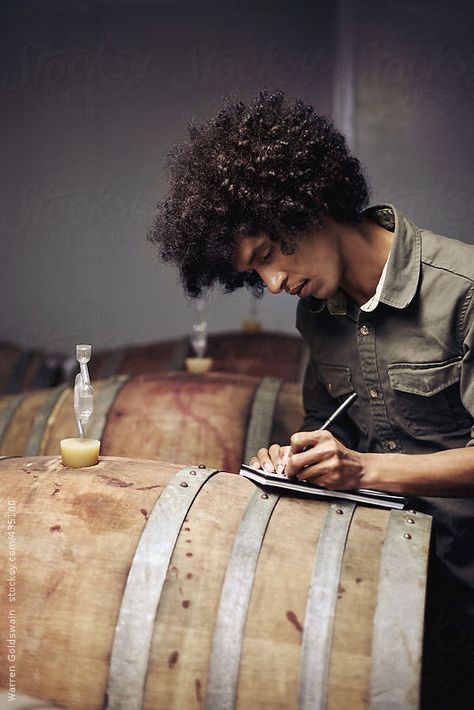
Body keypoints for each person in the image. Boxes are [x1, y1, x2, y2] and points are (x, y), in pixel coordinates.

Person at [149, 89, 474, 707]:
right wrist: (303, 455)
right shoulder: (316, 316)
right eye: (252, 275)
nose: (271, 285)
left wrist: (363, 470)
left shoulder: (464, 293)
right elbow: (335, 431)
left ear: (309, 201)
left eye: (269, 256)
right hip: (388, 589)